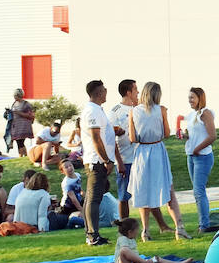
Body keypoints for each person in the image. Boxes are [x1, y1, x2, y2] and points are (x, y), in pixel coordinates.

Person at [127, 82, 191, 242]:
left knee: (143, 191)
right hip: (157, 151)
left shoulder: (133, 112)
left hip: (142, 152)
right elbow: (167, 133)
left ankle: (146, 231)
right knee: (169, 190)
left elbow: (132, 138)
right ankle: (179, 227)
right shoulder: (161, 110)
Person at [81, 79, 115, 247]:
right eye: (104, 89)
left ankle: (92, 233)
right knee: (93, 199)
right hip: (96, 160)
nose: (106, 91)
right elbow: (95, 137)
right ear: (99, 92)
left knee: (92, 198)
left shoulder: (97, 110)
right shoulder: (92, 111)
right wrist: (106, 160)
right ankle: (92, 234)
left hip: (98, 159)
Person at [184, 87, 217, 233]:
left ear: (200, 98)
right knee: (196, 192)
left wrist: (197, 149)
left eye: (192, 97)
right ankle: (202, 223)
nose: (190, 100)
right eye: (189, 97)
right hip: (191, 156)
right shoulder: (192, 115)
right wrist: (184, 136)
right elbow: (195, 134)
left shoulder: (206, 113)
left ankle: (204, 225)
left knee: (199, 191)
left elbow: (212, 136)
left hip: (202, 157)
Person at [112, 218, 195, 263]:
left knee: (157, 259)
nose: (138, 232)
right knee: (124, 250)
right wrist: (142, 262)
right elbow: (125, 252)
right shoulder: (122, 239)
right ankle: (144, 262)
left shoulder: (132, 239)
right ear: (130, 232)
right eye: (137, 230)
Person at [111, 79, 140, 220]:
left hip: (140, 158)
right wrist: (119, 162)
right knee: (124, 196)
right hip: (125, 159)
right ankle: (124, 225)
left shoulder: (139, 109)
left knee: (143, 193)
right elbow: (111, 137)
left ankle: (149, 225)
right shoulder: (116, 111)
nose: (138, 92)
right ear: (128, 92)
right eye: (135, 89)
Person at [8, 89, 35, 156]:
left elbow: (31, 115)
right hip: (16, 126)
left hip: (24, 126)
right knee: (18, 141)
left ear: (18, 95)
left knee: (20, 141)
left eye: (15, 95)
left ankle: (24, 155)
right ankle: (22, 155)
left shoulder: (26, 104)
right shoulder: (14, 104)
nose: (14, 97)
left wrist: (18, 113)